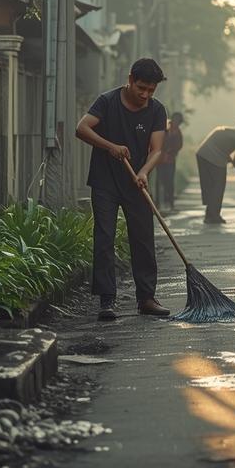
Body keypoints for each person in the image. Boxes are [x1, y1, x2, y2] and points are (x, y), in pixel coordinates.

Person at [74, 58, 171, 322]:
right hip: (105, 181)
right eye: (141, 88)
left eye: (151, 90)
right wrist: (110, 146)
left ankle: (147, 298)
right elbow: (81, 128)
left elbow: (157, 150)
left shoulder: (157, 110)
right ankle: (107, 301)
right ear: (130, 79)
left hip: (135, 183)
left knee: (143, 238)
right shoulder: (107, 101)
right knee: (104, 238)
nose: (145, 95)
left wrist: (143, 171)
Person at [195, 119, 235, 224]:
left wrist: (230, 159)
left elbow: (220, 147)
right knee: (218, 187)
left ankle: (209, 215)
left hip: (201, 155)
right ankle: (214, 215)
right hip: (214, 159)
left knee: (209, 186)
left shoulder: (222, 129)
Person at [153, 112, 185, 212]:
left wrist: (171, 152)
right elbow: (158, 140)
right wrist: (162, 152)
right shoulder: (165, 128)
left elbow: (179, 146)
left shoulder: (178, 132)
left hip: (171, 160)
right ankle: (157, 205)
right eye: (175, 121)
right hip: (160, 159)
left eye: (178, 122)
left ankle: (170, 203)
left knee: (170, 181)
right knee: (159, 181)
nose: (176, 123)